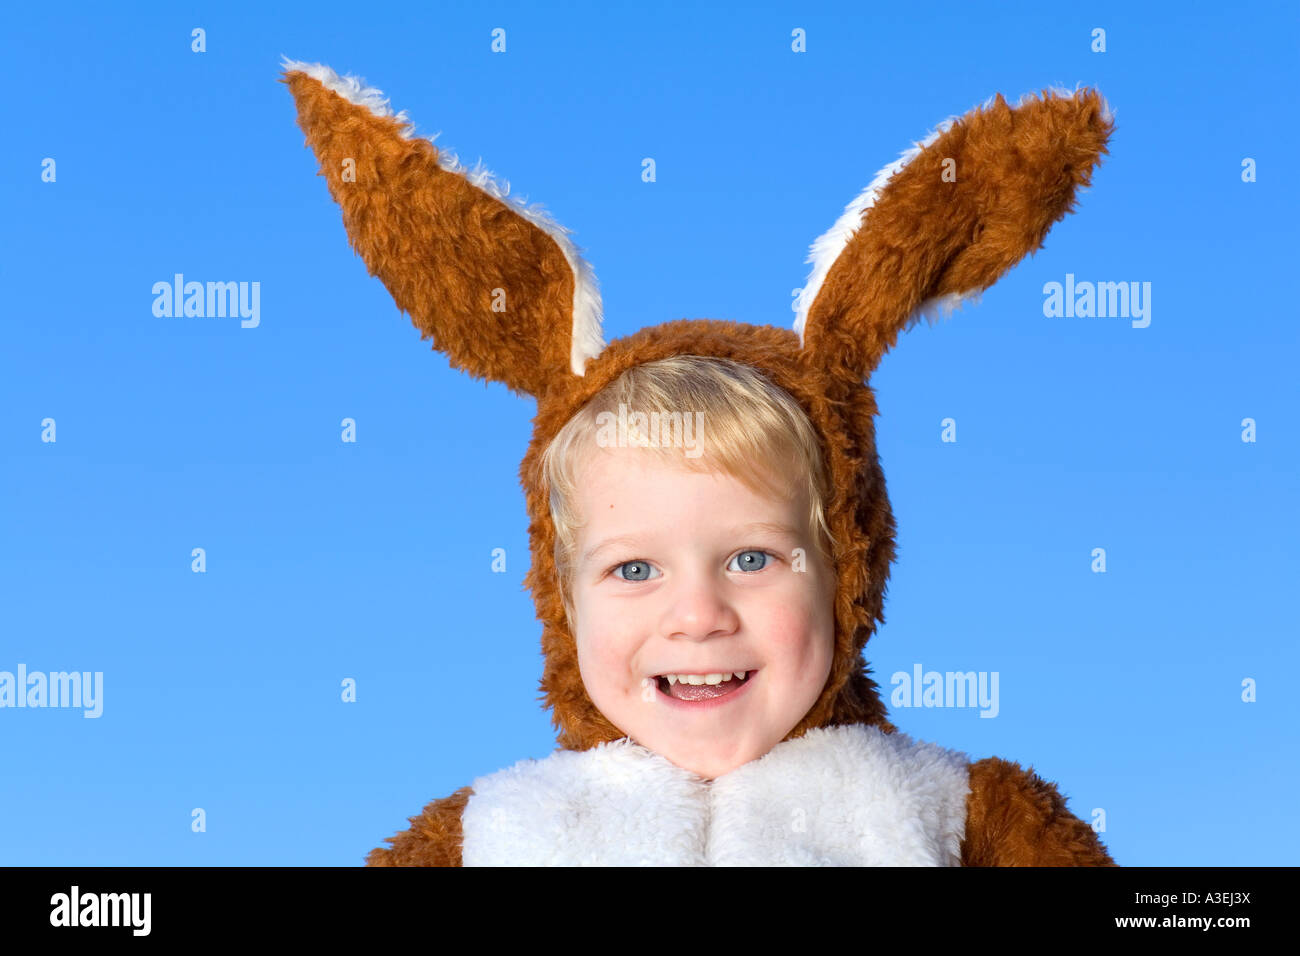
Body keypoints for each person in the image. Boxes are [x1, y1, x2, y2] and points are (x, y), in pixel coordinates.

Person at [281, 57, 1118, 865]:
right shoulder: (501, 833)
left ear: (847, 571)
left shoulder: (948, 814)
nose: (697, 615)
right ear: (560, 595)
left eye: (751, 558)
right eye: (634, 568)